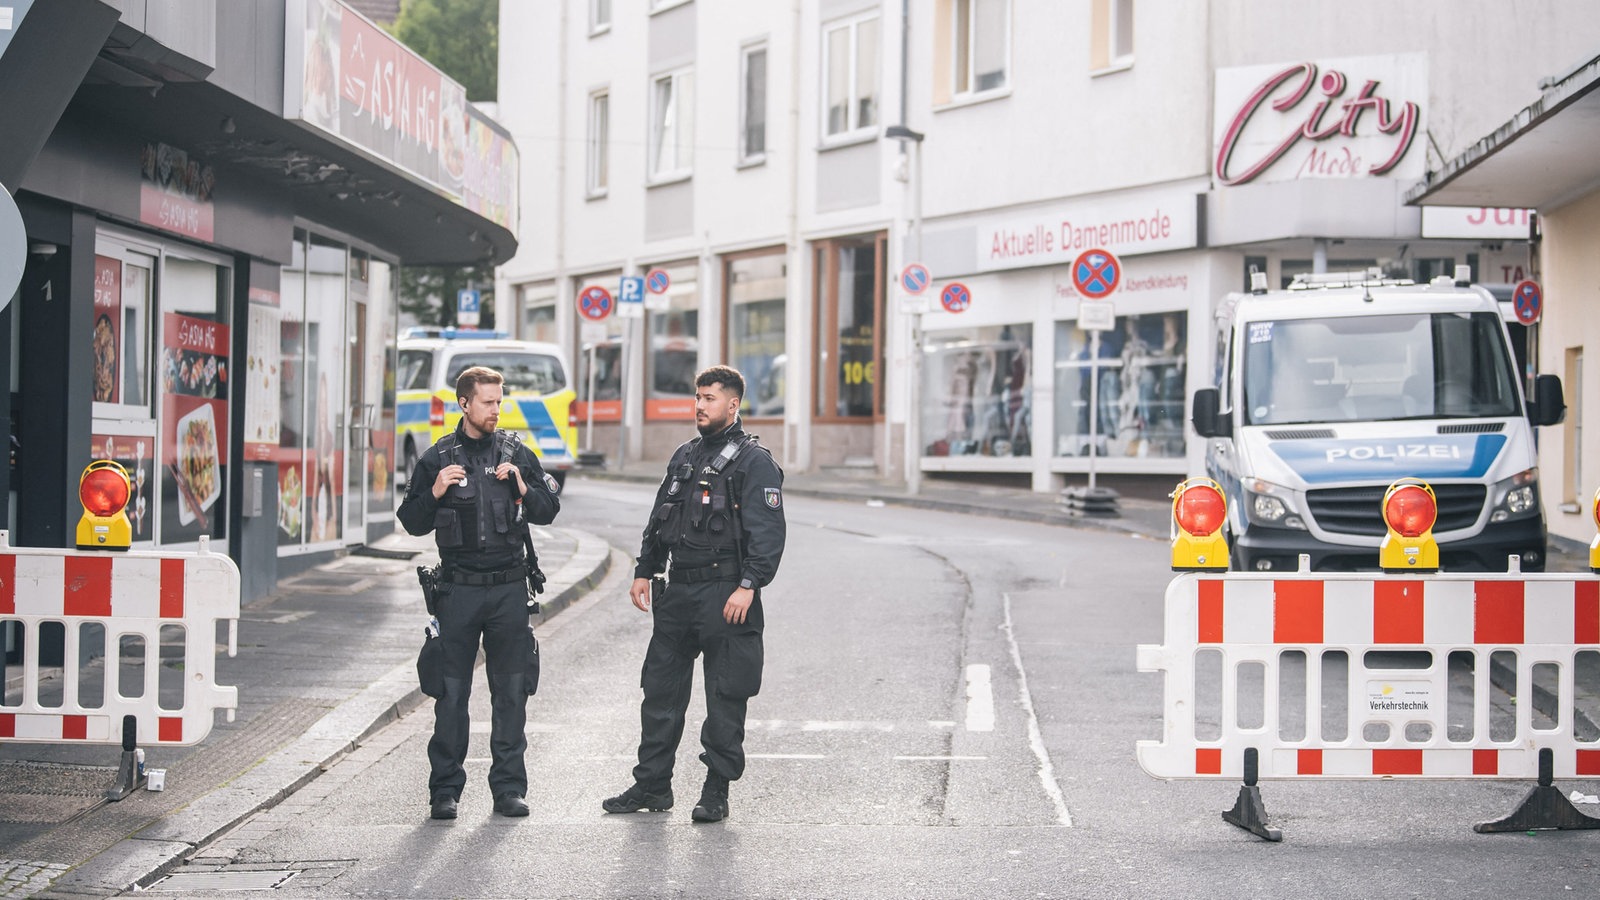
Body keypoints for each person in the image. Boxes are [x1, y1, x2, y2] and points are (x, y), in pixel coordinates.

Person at [603, 365, 786, 823]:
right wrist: (644, 570)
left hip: (726, 592)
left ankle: (715, 790)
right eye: (697, 397)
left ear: (733, 404)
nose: (699, 405)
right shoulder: (685, 455)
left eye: (709, 398)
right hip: (678, 591)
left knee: (726, 695)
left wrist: (749, 585)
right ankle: (652, 786)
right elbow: (658, 518)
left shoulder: (753, 461)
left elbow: (768, 535)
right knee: (659, 692)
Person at [397, 366, 560, 821]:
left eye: (498, 401)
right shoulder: (438, 457)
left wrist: (523, 486)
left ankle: (508, 789)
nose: (495, 410)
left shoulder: (514, 452)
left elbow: (549, 509)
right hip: (458, 592)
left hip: (509, 589)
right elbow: (411, 521)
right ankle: (445, 791)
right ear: (464, 404)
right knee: (450, 696)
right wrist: (434, 490)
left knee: (510, 695)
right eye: (487, 402)